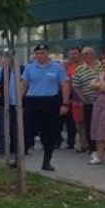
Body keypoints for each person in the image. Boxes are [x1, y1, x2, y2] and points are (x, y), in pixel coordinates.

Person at [21, 44, 71, 172]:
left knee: (49, 134)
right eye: (37, 53)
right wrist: (19, 101)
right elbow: (24, 84)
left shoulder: (57, 67)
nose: (40, 55)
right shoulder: (30, 67)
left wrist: (65, 103)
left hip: (50, 101)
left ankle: (46, 161)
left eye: (43, 53)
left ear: (48, 53)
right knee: (27, 131)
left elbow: (64, 85)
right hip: (33, 101)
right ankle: (20, 161)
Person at [74, 47, 101, 157]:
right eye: (83, 54)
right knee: (90, 125)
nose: (85, 56)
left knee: (104, 125)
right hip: (88, 102)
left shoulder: (103, 67)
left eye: (87, 54)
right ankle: (93, 148)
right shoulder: (80, 69)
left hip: (104, 102)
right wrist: (83, 98)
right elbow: (76, 86)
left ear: (93, 55)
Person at [0, 59, 22, 161]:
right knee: (4, 126)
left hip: (17, 103)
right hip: (5, 104)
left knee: (16, 127)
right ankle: (4, 148)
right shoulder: (1, 71)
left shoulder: (20, 70)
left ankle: (16, 148)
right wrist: (0, 96)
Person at [63, 48, 82, 149]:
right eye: (70, 54)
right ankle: (75, 142)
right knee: (74, 121)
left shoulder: (84, 66)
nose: (72, 56)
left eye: (75, 54)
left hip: (86, 96)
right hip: (73, 96)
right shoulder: (69, 67)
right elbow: (67, 83)